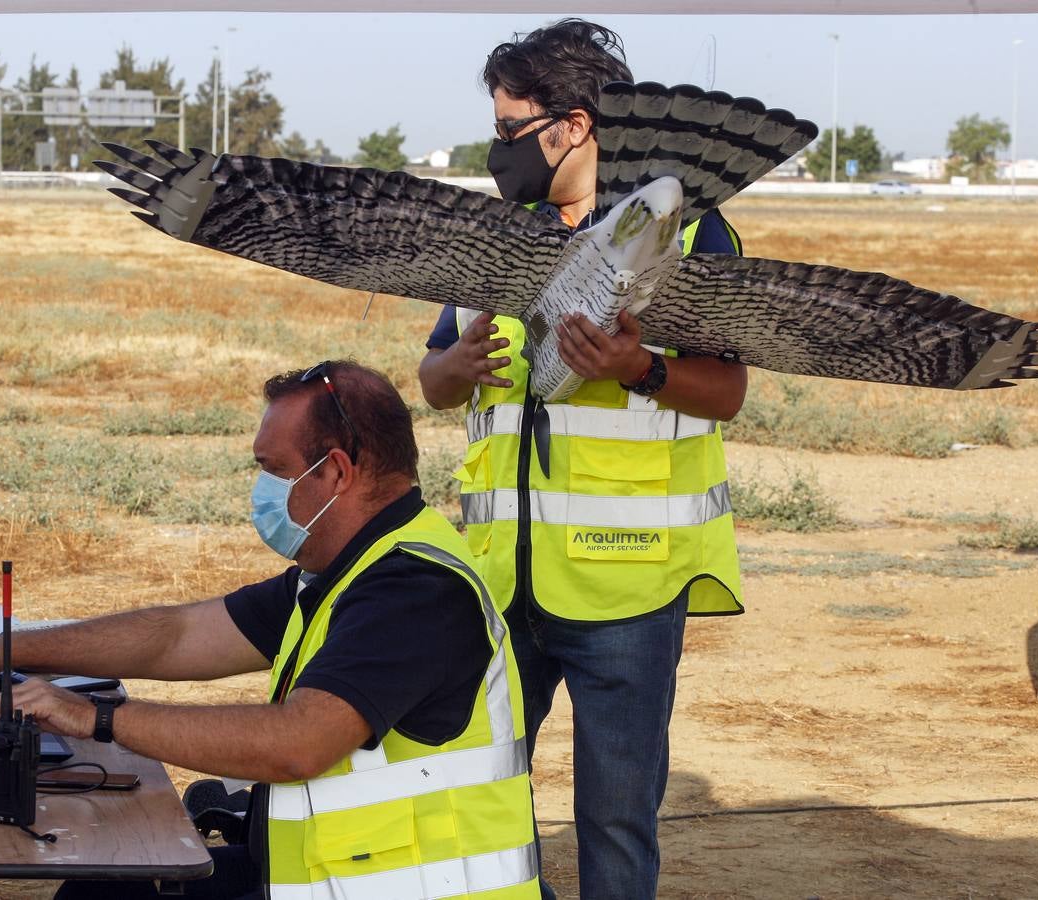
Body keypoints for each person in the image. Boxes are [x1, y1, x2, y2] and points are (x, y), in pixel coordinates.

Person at [0, 360, 539, 900]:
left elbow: (298, 744)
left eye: (274, 468)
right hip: (330, 876)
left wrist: (95, 717)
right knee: (103, 885)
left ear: (337, 472)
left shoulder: (414, 592)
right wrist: (3, 652)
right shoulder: (344, 571)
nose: (263, 489)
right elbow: (178, 635)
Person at [417, 20, 747, 900]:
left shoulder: (677, 233)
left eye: (508, 128)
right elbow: (437, 383)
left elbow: (725, 392)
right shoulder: (491, 238)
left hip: (627, 592)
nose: (497, 150)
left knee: (613, 823)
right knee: (479, 800)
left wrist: (640, 370)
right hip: (496, 584)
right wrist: (448, 370)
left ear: (571, 125)